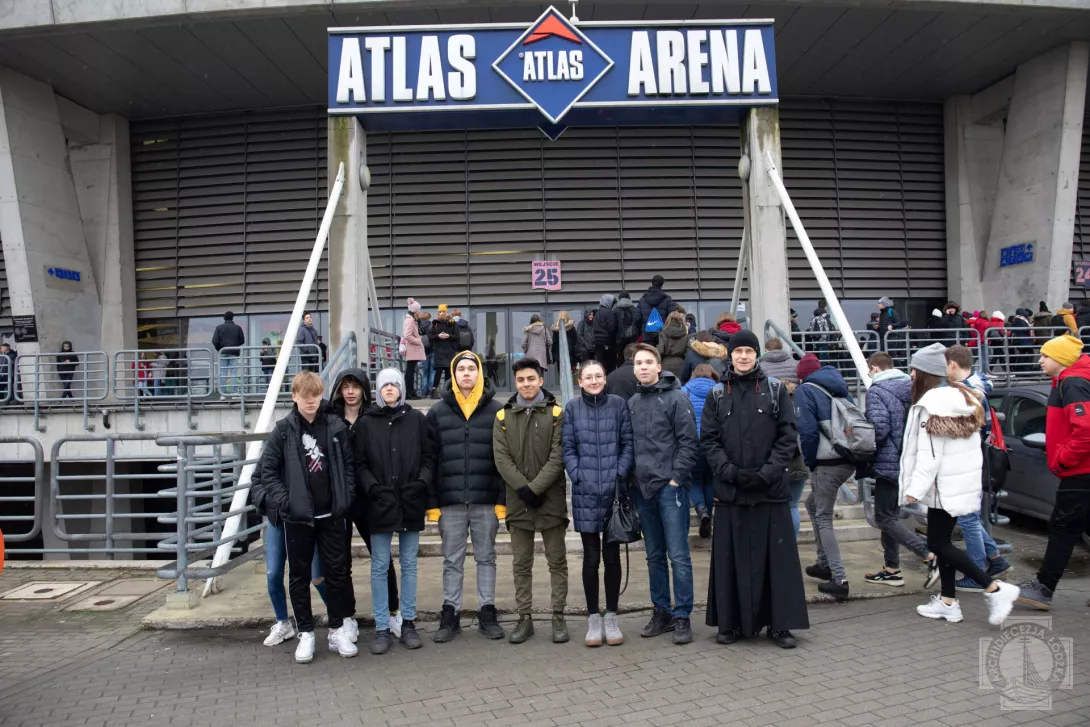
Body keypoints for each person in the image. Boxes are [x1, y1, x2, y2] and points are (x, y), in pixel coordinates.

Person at [701, 330, 808, 648]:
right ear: (729, 356)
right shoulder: (717, 394)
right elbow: (708, 439)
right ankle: (731, 624)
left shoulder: (776, 391)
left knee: (776, 562)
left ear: (757, 355)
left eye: (749, 350)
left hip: (770, 490)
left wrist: (767, 472)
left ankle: (780, 625)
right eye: (738, 351)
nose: (744, 356)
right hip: (732, 491)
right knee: (730, 560)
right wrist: (729, 471)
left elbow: (788, 437)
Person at [900, 345, 1020, 626]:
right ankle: (947, 601)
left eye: (915, 369)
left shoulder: (934, 403)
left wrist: (912, 490)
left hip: (943, 485)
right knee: (941, 541)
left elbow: (930, 455)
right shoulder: (964, 397)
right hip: (958, 481)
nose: (911, 374)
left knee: (939, 543)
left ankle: (994, 588)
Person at [256, 371, 358, 663]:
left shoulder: (335, 426)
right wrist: (288, 503)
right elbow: (268, 472)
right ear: (295, 397)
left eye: (315, 395)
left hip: (332, 515)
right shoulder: (284, 430)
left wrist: (345, 498)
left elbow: (348, 467)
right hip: (298, 519)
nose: (311, 401)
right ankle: (306, 633)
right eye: (305, 396)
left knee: (336, 574)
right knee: (299, 576)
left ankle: (337, 629)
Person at [425, 351, 507, 642]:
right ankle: (451, 613)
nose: (467, 374)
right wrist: (433, 505)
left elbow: (503, 460)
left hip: (485, 500)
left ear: (480, 373)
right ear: (453, 374)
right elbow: (430, 461)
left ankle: (487, 611)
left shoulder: (497, 410)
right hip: (451, 501)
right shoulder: (437, 412)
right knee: (452, 560)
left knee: (486, 558)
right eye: (461, 369)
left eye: (472, 368)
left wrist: (501, 501)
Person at [354, 368, 434, 655]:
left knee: (410, 563)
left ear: (401, 388)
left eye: (394, 384)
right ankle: (381, 627)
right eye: (384, 384)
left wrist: (421, 483)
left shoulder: (416, 420)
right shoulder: (366, 423)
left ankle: (408, 622)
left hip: (410, 501)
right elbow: (359, 464)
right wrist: (373, 488)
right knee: (379, 566)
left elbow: (429, 457)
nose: (389, 388)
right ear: (378, 389)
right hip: (379, 504)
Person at [493, 357, 569, 644]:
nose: (526, 384)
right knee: (521, 564)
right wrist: (523, 489)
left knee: (557, 561)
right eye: (521, 380)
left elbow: (557, 456)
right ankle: (524, 618)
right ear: (516, 383)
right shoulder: (502, 416)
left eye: (531, 379)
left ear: (540, 380)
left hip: (550, 500)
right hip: (518, 501)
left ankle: (558, 616)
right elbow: (501, 458)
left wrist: (535, 489)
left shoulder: (556, 413)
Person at [628, 343, 699, 644]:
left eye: (648, 362)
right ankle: (662, 610)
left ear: (659, 367)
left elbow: (689, 442)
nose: (643, 367)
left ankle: (682, 614)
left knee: (678, 555)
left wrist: (675, 479)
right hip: (642, 491)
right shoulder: (631, 402)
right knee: (654, 556)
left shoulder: (676, 398)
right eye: (638, 363)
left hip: (670, 490)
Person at [562, 360, 634, 647]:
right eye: (588, 377)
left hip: (615, 492)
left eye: (598, 376)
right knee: (591, 558)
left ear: (605, 378)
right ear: (580, 381)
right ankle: (594, 617)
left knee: (612, 557)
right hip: (585, 492)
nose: (593, 381)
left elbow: (627, 442)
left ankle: (612, 616)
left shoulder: (618, 404)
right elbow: (567, 447)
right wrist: (578, 475)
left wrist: (620, 472)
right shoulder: (572, 408)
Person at [1016, 335, 1090, 610]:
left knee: (1063, 528)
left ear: (1062, 359)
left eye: (1045, 356)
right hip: (1083, 470)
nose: (1040, 360)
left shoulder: (1072, 383)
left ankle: (1044, 588)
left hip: (1079, 472)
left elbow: (1085, 431)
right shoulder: (1074, 380)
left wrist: (1062, 460)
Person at [329, 368, 401, 638]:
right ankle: (348, 616)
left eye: (355, 387)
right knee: (340, 560)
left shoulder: (373, 418)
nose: (350, 392)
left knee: (381, 558)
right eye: (345, 386)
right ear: (339, 389)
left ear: (364, 390)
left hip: (368, 498)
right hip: (339, 499)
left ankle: (393, 612)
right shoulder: (330, 418)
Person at [862, 352, 936, 587]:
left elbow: (879, 429)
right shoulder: (911, 386)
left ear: (874, 368)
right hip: (909, 461)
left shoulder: (877, 390)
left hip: (888, 463)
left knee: (883, 517)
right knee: (890, 516)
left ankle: (928, 554)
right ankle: (892, 568)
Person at [943, 345, 1011, 590]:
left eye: (945, 365)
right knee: (968, 516)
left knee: (968, 517)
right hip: (973, 459)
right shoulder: (977, 388)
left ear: (952, 364)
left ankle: (976, 570)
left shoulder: (969, 394)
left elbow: (966, 431)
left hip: (966, 460)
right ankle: (995, 559)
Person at [795, 353, 857, 599]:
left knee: (822, 516)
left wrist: (810, 461)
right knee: (813, 505)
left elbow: (808, 432)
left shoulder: (806, 391)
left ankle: (839, 578)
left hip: (827, 461)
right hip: (848, 458)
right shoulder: (839, 386)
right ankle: (823, 564)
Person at [761, 341, 808, 536]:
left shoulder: (760, 368)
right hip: (797, 455)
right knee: (793, 506)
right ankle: (792, 545)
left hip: (769, 457)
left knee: (768, 506)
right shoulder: (796, 366)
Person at [682, 364, 719, 539]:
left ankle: (701, 510)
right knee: (710, 480)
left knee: (695, 480)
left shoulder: (684, 391)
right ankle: (709, 518)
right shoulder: (719, 391)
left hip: (692, 444)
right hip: (713, 443)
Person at [637, 275, 677, 345]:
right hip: (663, 335)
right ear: (662, 285)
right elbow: (673, 317)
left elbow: (637, 318)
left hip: (647, 335)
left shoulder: (642, 300)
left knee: (649, 354)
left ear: (651, 284)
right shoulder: (668, 300)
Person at [212, 310, 245, 394]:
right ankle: (234, 392)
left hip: (223, 352)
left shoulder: (219, 327)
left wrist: (219, 349)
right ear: (232, 318)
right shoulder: (237, 328)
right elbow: (242, 341)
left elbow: (215, 341)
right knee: (233, 372)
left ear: (224, 318)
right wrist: (235, 345)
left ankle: (223, 393)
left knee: (223, 372)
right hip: (233, 353)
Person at [429, 305, 458, 397]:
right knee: (438, 373)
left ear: (446, 313)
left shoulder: (452, 324)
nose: (441, 313)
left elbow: (457, 337)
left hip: (449, 352)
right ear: (438, 314)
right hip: (439, 352)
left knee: (449, 373)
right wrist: (438, 336)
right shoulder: (435, 324)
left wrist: (449, 336)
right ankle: (434, 391)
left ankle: (447, 391)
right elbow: (430, 336)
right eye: (440, 312)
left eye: (443, 312)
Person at [402, 298, 425, 399]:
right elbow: (407, 335)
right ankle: (409, 393)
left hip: (412, 349)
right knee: (410, 372)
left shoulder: (411, 320)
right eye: (418, 310)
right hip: (412, 349)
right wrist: (419, 340)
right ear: (414, 311)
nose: (419, 312)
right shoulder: (410, 321)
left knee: (410, 372)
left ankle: (410, 392)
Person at [655, 311, 689, 379]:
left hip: (665, 364)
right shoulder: (685, 335)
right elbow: (688, 352)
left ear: (668, 320)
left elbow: (660, 350)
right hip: (680, 364)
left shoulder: (663, 333)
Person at [613, 292, 640, 364]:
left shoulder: (615, 310)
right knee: (632, 355)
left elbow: (613, 325)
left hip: (619, 338)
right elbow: (638, 322)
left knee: (620, 356)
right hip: (632, 337)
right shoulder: (634, 309)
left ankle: (621, 371)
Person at [592, 294, 617, 372]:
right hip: (607, 341)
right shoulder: (609, 312)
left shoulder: (597, 313)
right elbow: (612, 327)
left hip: (597, 341)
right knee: (610, 364)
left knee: (600, 364)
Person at [418, 311, 434, 397]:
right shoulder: (432, 326)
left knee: (425, 373)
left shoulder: (418, 326)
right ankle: (431, 391)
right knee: (432, 372)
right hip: (432, 350)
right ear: (428, 318)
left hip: (423, 352)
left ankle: (424, 392)